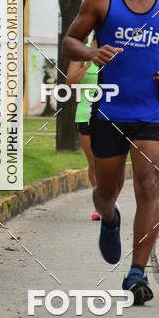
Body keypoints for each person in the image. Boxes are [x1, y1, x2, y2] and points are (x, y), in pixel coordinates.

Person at [62, 0, 159, 305]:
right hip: (109, 111)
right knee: (107, 191)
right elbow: (71, 38)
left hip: (150, 111)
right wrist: (90, 54)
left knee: (149, 185)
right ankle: (110, 218)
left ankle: (137, 271)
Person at [66, 55, 100, 220]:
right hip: (85, 113)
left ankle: (110, 200)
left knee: (108, 163)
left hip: (110, 115)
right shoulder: (81, 53)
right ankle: (102, 205)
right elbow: (70, 82)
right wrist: (86, 64)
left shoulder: (115, 49)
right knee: (93, 163)